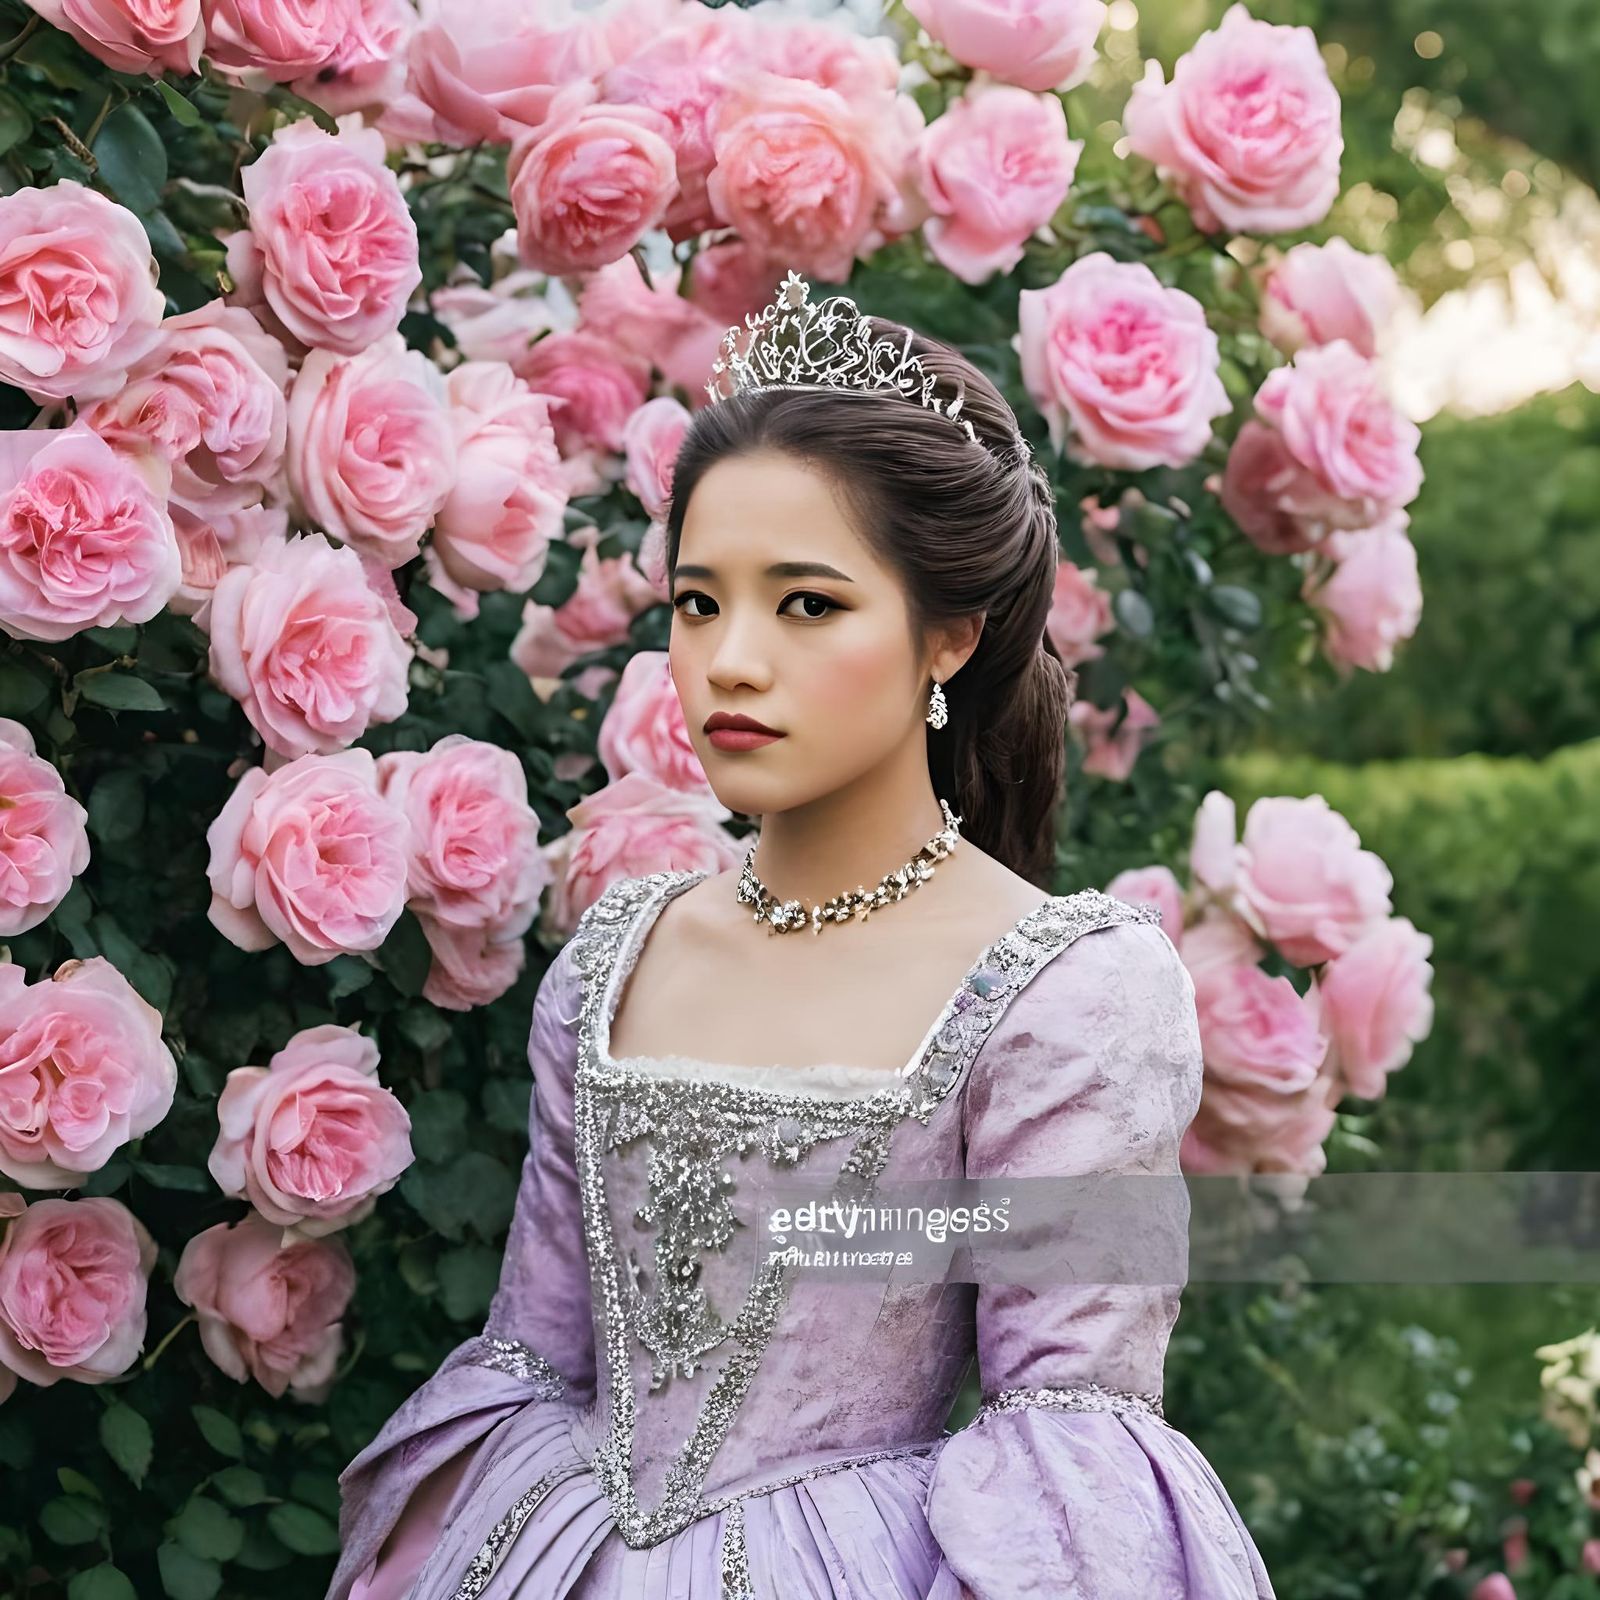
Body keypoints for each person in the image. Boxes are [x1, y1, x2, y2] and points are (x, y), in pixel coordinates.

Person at [327, 272, 1276, 1600]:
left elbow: (1069, 1420)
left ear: (949, 638)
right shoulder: (612, 960)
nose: (730, 660)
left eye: (808, 604)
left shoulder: (1068, 993)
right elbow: (537, 1352)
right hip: (549, 1551)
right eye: (699, 602)